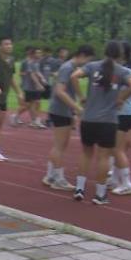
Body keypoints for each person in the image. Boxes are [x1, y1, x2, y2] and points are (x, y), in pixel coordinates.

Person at [69, 41, 131, 205]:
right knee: (104, 156)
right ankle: (100, 195)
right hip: (108, 121)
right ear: (120, 54)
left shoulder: (92, 66)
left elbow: (74, 76)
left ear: (105, 52)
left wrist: (81, 97)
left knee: (86, 153)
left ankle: (79, 188)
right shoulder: (122, 71)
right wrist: (121, 98)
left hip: (88, 118)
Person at [42, 44, 95, 190]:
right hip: (60, 110)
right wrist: (76, 107)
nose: (88, 64)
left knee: (60, 145)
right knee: (59, 145)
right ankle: (58, 179)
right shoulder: (67, 68)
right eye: (88, 60)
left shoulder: (70, 68)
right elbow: (60, 91)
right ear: (82, 55)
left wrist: (77, 102)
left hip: (62, 110)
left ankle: (50, 175)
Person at [110, 41, 131, 195]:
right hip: (127, 112)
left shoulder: (124, 70)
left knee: (117, 149)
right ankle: (115, 179)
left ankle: (127, 183)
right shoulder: (128, 69)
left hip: (122, 112)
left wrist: (120, 98)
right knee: (119, 148)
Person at [16, 47, 47, 128]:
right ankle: (15, 116)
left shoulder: (36, 63)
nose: (40, 54)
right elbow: (32, 74)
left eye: (40, 53)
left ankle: (35, 120)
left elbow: (37, 72)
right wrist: (38, 84)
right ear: (33, 54)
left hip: (34, 87)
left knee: (35, 103)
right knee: (29, 105)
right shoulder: (28, 62)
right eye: (38, 53)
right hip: (29, 87)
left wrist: (42, 78)